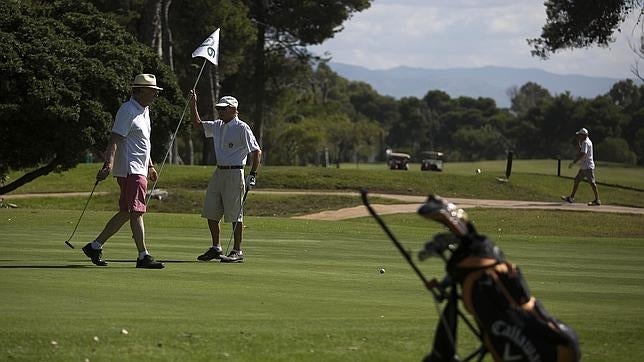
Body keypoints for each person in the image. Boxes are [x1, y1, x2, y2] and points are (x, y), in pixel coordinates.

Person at [82, 74, 165, 269]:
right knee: (136, 211)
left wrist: (150, 165)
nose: (155, 95)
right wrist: (108, 164)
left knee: (127, 212)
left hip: (140, 168)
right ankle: (143, 255)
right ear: (139, 90)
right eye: (152, 91)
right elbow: (115, 139)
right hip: (130, 169)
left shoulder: (144, 111)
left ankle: (95, 246)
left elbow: (143, 142)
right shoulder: (127, 110)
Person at [189, 90, 261, 263]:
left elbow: (256, 151)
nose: (219, 112)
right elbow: (197, 124)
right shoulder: (217, 125)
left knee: (235, 214)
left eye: (223, 109)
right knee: (211, 211)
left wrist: (252, 174)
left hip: (236, 172)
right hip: (219, 171)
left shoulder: (241, 127)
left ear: (233, 109)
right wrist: (193, 104)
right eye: (218, 109)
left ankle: (237, 250)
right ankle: (216, 247)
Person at [561, 127, 601, 206]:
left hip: (587, 167)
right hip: (584, 167)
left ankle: (597, 200)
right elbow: (580, 150)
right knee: (576, 180)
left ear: (584, 135)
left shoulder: (585, 142)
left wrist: (574, 162)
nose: (578, 136)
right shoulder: (585, 142)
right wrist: (578, 142)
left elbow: (582, 154)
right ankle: (571, 197)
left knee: (592, 183)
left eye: (580, 135)